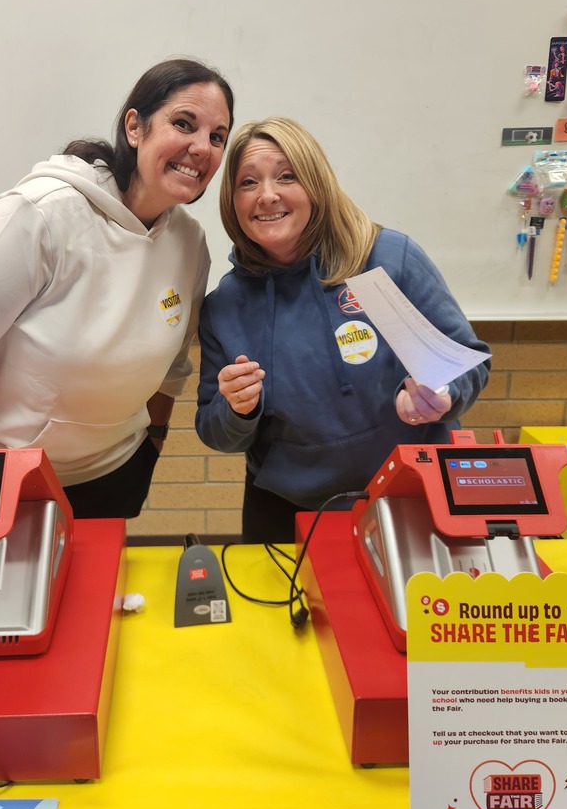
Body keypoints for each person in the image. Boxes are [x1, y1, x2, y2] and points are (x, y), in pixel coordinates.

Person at [0, 57, 234, 518]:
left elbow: (171, 367)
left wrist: (153, 444)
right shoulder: (38, 215)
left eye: (217, 136)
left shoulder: (190, 244)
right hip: (3, 477)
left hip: (115, 472)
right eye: (184, 124)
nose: (202, 147)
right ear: (135, 127)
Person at [195, 117, 490, 543]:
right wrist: (237, 410)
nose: (267, 195)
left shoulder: (385, 259)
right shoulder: (225, 306)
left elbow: (467, 361)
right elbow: (215, 432)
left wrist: (442, 393)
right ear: (232, 201)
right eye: (247, 182)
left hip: (411, 491)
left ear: (315, 184)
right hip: (287, 510)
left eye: (286, 176)